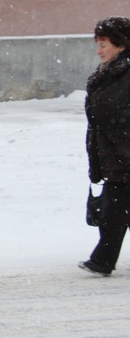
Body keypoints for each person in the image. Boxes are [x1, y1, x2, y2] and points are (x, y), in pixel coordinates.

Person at [80, 16, 130, 277]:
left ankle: (103, 260)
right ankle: (103, 260)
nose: (99, 50)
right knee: (114, 212)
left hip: (124, 158)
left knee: (114, 212)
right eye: (97, 45)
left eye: (103, 44)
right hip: (116, 159)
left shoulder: (123, 76)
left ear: (121, 45)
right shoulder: (107, 76)